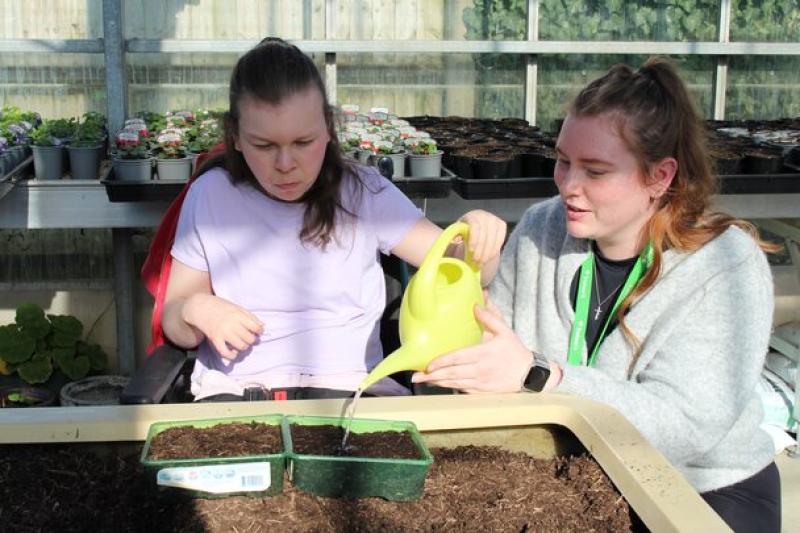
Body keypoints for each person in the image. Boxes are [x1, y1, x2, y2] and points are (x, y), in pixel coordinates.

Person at [412, 57, 781, 532]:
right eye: (563, 162)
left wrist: (542, 375)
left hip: (699, 485)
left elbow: (686, 427)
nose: (569, 186)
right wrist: (465, 283)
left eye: (596, 171)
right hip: (573, 467)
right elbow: (494, 348)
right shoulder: (542, 228)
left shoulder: (726, 266)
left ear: (659, 176)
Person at [160, 37, 506, 402]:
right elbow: (174, 319)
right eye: (264, 145)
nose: (285, 164)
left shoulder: (363, 193)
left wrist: (478, 236)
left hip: (350, 391)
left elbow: (468, 272)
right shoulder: (211, 195)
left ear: (327, 127)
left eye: (303, 142)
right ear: (235, 136)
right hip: (238, 392)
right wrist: (195, 309)